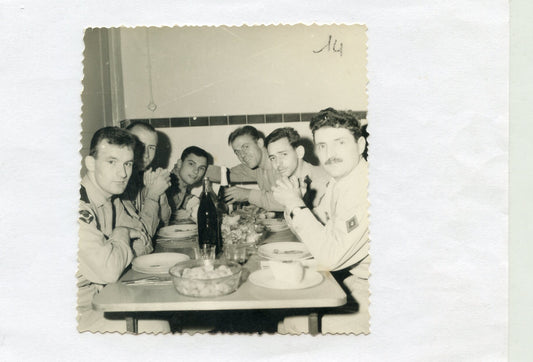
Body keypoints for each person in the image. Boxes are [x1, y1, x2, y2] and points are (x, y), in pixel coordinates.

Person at [272, 108, 370, 334]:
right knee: (287, 318)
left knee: (292, 323)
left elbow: (330, 257)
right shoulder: (340, 180)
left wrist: (296, 205)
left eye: (340, 142)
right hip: (354, 281)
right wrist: (297, 203)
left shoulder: (365, 188)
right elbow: (317, 235)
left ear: (361, 145)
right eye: (323, 145)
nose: (330, 153)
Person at [78, 127, 170, 333]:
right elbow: (109, 271)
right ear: (91, 164)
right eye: (111, 162)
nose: (123, 173)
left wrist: (118, 247)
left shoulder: (111, 198)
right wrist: (121, 234)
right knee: (158, 327)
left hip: (104, 297)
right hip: (74, 313)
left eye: (127, 163)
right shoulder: (76, 208)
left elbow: (144, 243)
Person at [205, 125, 284, 211]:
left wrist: (248, 195)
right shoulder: (257, 167)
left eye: (246, 147)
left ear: (260, 143)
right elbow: (226, 173)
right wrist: (197, 169)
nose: (242, 155)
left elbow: (286, 201)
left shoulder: (281, 165)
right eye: (237, 152)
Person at [123, 122, 171, 238]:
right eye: (140, 146)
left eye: (151, 147)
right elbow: (142, 236)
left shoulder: (142, 177)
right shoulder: (118, 182)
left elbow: (165, 222)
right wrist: (153, 194)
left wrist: (160, 193)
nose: (146, 154)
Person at [265, 127, 330, 209]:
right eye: (273, 158)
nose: (277, 164)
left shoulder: (324, 182)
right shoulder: (290, 184)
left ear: (299, 152)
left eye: (283, 154)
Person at [167, 146, 209, 222]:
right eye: (191, 164)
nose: (196, 171)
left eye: (201, 168)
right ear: (179, 163)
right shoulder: (167, 185)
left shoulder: (182, 185)